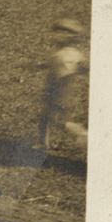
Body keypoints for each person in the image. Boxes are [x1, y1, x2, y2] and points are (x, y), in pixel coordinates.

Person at [38, 19, 89, 150]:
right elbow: (53, 64)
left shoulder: (70, 54)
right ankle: (43, 143)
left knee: (61, 121)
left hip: (60, 93)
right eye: (56, 32)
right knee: (45, 116)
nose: (56, 36)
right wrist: (39, 66)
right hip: (52, 90)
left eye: (61, 33)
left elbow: (79, 69)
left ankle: (83, 134)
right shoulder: (60, 51)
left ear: (70, 37)